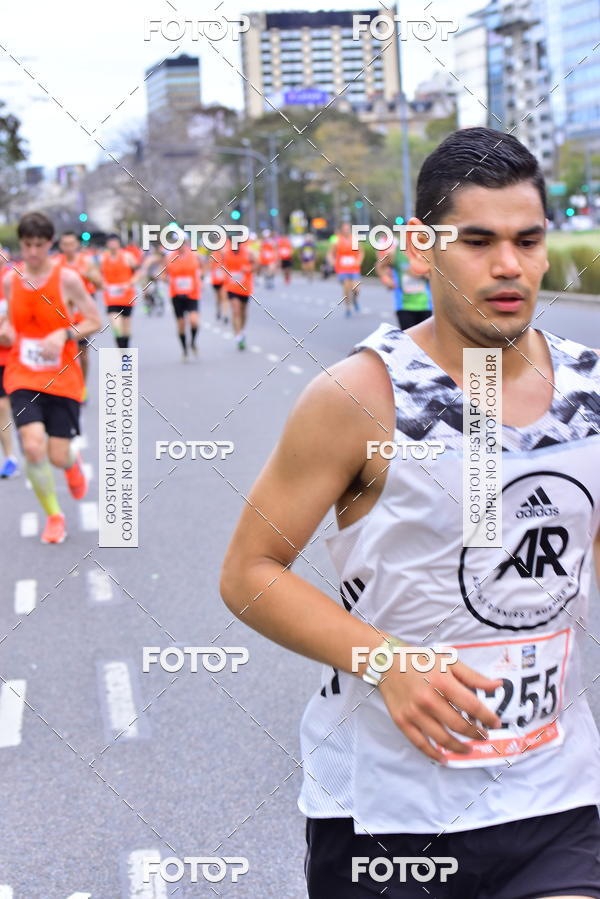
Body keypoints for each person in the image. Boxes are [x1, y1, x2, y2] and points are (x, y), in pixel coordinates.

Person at [221, 127, 600, 898]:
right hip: (388, 811)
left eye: (528, 241)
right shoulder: (358, 396)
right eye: (477, 240)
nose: (508, 265)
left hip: (556, 794)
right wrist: (388, 659)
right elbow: (249, 574)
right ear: (419, 248)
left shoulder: (589, 392)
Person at [1, 212, 100, 543]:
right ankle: (54, 517)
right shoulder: (10, 280)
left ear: (50, 243)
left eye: (38, 245)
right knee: (32, 446)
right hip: (22, 375)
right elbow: (9, 326)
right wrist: (5, 333)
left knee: (58, 455)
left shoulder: (67, 279)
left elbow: (94, 320)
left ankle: (71, 464)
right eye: (26, 245)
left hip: (62, 376)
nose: (31, 253)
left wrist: (64, 333)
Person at [57, 231, 102, 386]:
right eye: (65, 244)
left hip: (83, 316)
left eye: (71, 244)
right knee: (65, 354)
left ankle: (82, 386)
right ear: (61, 246)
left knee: (82, 354)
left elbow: (101, 285)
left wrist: (89, 276)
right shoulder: (57, 263)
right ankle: (67, 385)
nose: (68, 248)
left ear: (76, 244)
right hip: (63, 315)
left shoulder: (87, 262)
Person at [376, 235, 433, 330]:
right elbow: (379, 266)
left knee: (425, 344)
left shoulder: (425, 253)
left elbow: (435, 273)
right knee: (408, 341)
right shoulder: (395, 253)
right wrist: (387, 281)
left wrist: (420, 272)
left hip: (425, 305)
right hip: (404, 306)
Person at [164, 237, 203, 360]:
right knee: (181, 324)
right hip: (176, 294)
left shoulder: (195, 255)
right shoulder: (169, 257)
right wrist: (166, 279)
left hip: (192, 293)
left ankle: (192, 342)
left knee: (194, 321)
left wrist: (201, 278)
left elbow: (203, 267)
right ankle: (184, 350)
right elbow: (164, 273)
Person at [0, 248, 19, 478]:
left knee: (5, 407)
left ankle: (14, 453)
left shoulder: (13, 280)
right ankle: (10, 457)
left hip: (12, 355)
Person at [100, 235, 138, 348]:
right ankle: (122, 354)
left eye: (114, 242)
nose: (112, 245)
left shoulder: (127, 257)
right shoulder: (103, 258)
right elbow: (99, 275)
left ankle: (126, 352)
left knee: (126, 330)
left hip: (126, 297)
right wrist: (102, 284)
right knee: (116, 327)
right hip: (111, 298)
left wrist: (129, 283)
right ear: (107, 244)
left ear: (119, 243)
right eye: (110, 242)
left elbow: (139, 272)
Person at [223, 237, 257, 351]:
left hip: (245, 287)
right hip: (231, 287)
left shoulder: (248, 253)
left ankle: (241, 331)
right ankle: (238, 335)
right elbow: (220, 266)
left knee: (243, 311)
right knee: (236, 310)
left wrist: (249, 269)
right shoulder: (225, 253)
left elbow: (257, 265)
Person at [328, 222, 364, 317]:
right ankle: (348, 307)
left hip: (354, 268)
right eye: (344, 229)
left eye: (348, 229)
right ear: (341, 230)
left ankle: (355, 300)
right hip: (342, 268)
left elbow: (361, 252)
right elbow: (330, 253)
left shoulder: (355, 239)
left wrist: (359, 261)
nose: (346, 231)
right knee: (346, 288)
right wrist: (332, 261)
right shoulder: (337, 240)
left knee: (356, 289)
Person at [209, 242, 229, 322]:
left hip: (224, 280)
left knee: (224, 297)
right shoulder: (214, 254)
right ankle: (218, 310)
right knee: (218, 298)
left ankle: (225, 315)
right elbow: (210, 265)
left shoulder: (226, 254)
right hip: (216, 280)